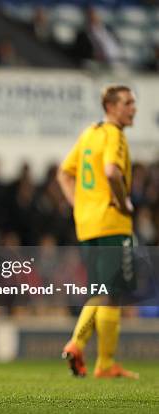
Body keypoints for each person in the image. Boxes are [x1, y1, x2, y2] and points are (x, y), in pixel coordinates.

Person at [58, 85, 138, 379]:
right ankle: (79, 345)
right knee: (108, 291)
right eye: (128, 103)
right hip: (112, 222)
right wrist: (122, 200)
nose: (133, 109)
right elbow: (111, 171)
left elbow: (64, 173)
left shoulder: (89, 132)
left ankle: (105, 363)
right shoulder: (114, 134)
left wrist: (79, 205)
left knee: (104, 291)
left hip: (87, 223)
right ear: (112, 106)